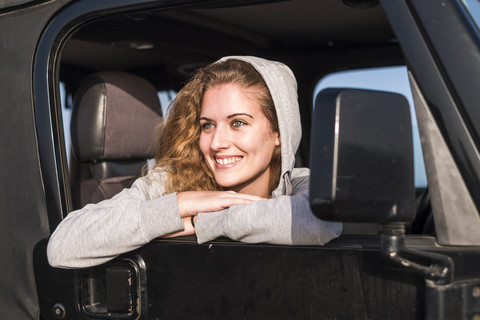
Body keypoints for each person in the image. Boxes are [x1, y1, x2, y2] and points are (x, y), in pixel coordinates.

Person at [47, 56, 342, 269]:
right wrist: (174, 207)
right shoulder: (171, 182)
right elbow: (61, 246)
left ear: (278, 133)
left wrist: (205, 221)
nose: (216, 143)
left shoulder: (300, 182)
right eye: (207, 125)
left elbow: (318, 221)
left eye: (238, 123)